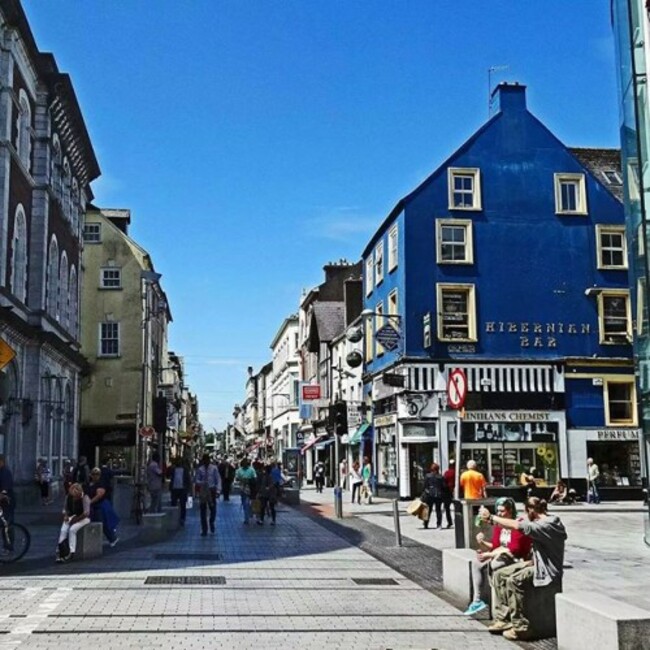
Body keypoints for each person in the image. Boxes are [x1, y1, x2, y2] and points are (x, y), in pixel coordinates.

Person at [480, 497, 567, 641]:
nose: (526, 516)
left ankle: (521, 627)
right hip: (535, 563)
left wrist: (491, 517)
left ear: (531, 510)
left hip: (547, 570)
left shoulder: (545, 525)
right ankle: (504, 618)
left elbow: (518, 526)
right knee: (500, 574)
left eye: (527, 513)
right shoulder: (543, 522)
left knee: (514, 581)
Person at [464, 497, 532, 615]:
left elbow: (514, 549)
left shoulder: (517, 523)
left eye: (502, 511)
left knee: (495, 565)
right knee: (476, 563)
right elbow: (496, 545)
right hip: (501, 554)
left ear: (510, 510)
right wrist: (482, 543)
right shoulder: (499, 524)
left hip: (516, 557)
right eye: (498, 511)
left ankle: (501, 607)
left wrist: (489, 554)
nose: (499, 513)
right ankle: (477, 600)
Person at [56, 483, 91, 563]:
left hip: (83, 518)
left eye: (76, 496)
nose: (74, 498)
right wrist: (65, 515)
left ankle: (71, 552)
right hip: (72, 516)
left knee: (72, 529)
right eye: (73, 495)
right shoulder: (68, 497)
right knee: (63, 530)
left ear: (79, 492)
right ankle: (60, 551)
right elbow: (65, 509)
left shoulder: (85, 498)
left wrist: (76, 519)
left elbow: (86, 513)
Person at [87, 467, 119, 546]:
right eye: (93, 474)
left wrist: (90, 502)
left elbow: (99, 495)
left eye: (97, 474)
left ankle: (112, 538)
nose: (95, 476)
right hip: (94, 506)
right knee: (96, 523)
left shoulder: (101, 484)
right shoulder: (90, 484)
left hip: (99, 506)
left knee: (101, 523)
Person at [194, 453, 221, 536]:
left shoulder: (214, 468)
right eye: (204, 460)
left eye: (207, 460)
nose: (206, 462)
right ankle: (204, 529)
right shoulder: (200, 469)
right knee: (203, 510)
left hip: (211, 490)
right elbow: (196, 480)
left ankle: (211, 522)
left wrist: (218, 490)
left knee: (213, 508)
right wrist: (202, 483)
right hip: (203, 491)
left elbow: (218, 479)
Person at [421, 463, 447, 529]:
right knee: (438, 510)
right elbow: (444, 487)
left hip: (429, 494)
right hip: (438, 495)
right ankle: (439, 524)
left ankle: (426, 523)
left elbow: (424, 486)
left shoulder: (428, 476)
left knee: (428, 509)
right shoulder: (441, 477)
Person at [169, 456, 192, 526]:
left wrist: (189, 489)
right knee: (173, 504)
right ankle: (173, 518)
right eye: (177, 461)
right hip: (174, 489)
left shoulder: (185, 469)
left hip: (183, 489)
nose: (178, 462)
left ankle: (182, 518)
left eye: (180, 461)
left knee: (183, 505)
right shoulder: (173, 469)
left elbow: (188, 479)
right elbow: (170, 477)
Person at [235, 458, 258, 525]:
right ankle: (246, 516)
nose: (245, 464)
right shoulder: (239, 470)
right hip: (242, 488)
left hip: (250, 488)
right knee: (244, 503)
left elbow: (255, 478)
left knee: (247, 503)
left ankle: (247, 516)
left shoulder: (251, 470)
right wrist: (241, 479)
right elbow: (237, 478)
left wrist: (249, 480)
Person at [0, 455, 15, 525]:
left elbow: (5, 488)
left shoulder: (5, 472)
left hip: (6, 501)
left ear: (2, 462)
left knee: (6, 522)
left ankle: (8, 535)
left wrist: (2, 495)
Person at [442, 460, 455, 526]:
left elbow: (444, 482)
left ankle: (449, 522)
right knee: (458, 507)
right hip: (456, 492)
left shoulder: (446, 473)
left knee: (447, 508)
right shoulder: (457, 472)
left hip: (448, 492)